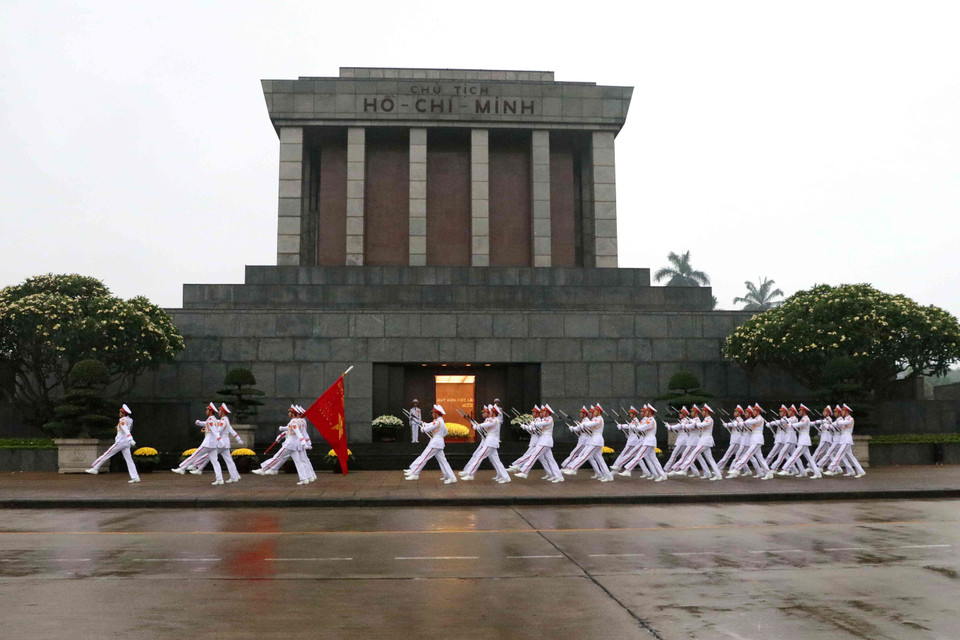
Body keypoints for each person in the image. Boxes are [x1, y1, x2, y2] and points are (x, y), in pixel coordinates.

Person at [251, 406, 312, 484]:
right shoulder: (299, 421)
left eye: (290, 412)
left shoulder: (294, 422)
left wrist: (304, 443)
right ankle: (304, 479)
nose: (288, 413)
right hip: (294, 445)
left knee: (277, 456)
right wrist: (282, 429)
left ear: (293, 413)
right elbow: (291, 430)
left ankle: (263, 469)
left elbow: (299, 433)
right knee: (298, 462)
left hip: (290, 444)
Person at [85, 404, 140, 483]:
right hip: (126, 442)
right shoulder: (130, 420)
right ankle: (135, 477)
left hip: (120, 442)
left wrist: (131, 439)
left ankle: (95, 468)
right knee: (129, 460)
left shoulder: (122, 420)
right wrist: (130, 440)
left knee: (107, 454)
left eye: (120, 412)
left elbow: (126, 430)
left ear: (123, 413)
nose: (119, 413)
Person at [404, 404, 457, 484]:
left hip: (435, 443)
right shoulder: (440, 421)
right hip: (438, 442)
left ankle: (415, 473)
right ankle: (450, 477)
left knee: (423, 457)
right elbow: (444, 431)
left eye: (433, 412)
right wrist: (424, 424)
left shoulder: (437, 422)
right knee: (443, 461)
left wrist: (423, 428)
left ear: (436, 413)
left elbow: (427, 429)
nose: (432, 414)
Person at [562, 404, 614, 481]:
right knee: (600, 460)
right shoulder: (596, 419)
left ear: (599, 412)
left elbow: (589, 424)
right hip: (595, 441)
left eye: (595, 411)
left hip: (596, 441)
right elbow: (587, 427)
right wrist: (576, 427)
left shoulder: (598, 419)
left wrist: (582, 425)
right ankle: (608, 476)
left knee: (585, 456)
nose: (593, 412)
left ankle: (573, 468)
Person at [460, 405, 510, 483]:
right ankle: (505, 477)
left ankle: (470, 474)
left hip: (490, 442)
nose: (490, 412)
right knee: (496, 461)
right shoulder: (493, 420)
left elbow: (486, 425)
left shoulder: (494, 420)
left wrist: (478, 426)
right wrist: (476, 425)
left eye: (491, 411)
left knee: (479, 457)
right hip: (491, 442)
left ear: (494, 413)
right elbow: (486, 425)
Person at [514, 404, 562, 482]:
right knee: (551, 460)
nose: (542, 413)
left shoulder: (549, 419)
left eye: (543, 411)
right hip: (543, 441)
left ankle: (524, 471)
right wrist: (528, 425)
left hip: (545, 442)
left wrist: (534, 423)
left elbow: (542, 424)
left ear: (547, 412)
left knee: (534, 455)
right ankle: (558, 476)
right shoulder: (544, 419)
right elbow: (536, 428)